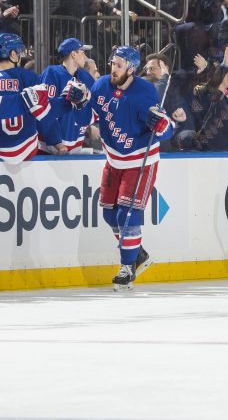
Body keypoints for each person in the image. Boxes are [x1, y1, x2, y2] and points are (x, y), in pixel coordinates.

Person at [89, 46, 172, 289]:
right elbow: (90, 114)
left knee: (127, 214)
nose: (113, 69)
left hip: (140, 161)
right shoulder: (101, 85)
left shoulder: (145, 92)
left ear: (131, 69)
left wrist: (161, 124)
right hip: (114, 159)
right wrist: (79, 102)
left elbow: (166, 129)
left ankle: (127, 267)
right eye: (112, 64)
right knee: (108, 213)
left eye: (118, 65)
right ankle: (138, 255)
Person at [0, 33, 48, 161]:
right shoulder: (27, 77)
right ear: (12, 54)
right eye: (18, 52)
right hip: (23, 152)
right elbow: (42, 113)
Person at [36, 37, 96, 153]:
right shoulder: (52, 74)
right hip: (50, 148)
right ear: (73, 54)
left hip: (75, 145)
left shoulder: (85, 77)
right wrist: (56, 143)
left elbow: (93, 106)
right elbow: (44, 110)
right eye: (83, 53)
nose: (86, 57)